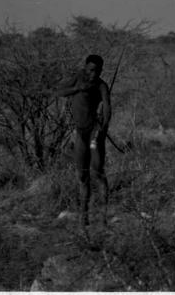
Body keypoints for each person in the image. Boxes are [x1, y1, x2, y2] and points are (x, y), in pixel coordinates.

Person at [54, 55, 111, 228]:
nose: (94, 74)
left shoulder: (101, 86)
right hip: (80, 133)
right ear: (85, 67)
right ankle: (83, 216)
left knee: (98, 171)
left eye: (98, 71)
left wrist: (103, 129)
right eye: (91, 70)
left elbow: (108, 108)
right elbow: (59, 91)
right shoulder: (77, 78)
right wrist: (77, 88)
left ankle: (102, 217)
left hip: (94, 132)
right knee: (82, 176)